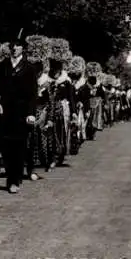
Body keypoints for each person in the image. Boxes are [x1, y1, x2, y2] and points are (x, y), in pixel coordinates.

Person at [0, 31, 37, 194]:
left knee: (19, 146)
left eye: (17, 46)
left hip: (22, 114)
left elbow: (33, 93)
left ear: (23, 48)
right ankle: (11, 176)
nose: (14, 48)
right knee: (6, 147)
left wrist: (31, 113)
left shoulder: (30, 68)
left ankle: (14, 179)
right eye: (12, 46)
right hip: (5, 112)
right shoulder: (2, 66)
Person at [24, 35, 53, 178]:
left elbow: (50, 101)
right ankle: (29, 169)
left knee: (40, 143)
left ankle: (36, 168)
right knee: (27, 143)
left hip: (41, 113)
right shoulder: (26, 77)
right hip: (27, 113)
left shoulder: (46, 82)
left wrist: (49, 118)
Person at [46, 39, 75, 169]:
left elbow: (71, 97)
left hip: (63, 110)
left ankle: (58, 156)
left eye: (57, 69)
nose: (55, 71)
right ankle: (49, 156)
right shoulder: (46, 80)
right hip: (49, 110)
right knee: (49, 134)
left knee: (61, 134)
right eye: (53, 69)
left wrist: (73, 112)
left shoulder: (66, 81)